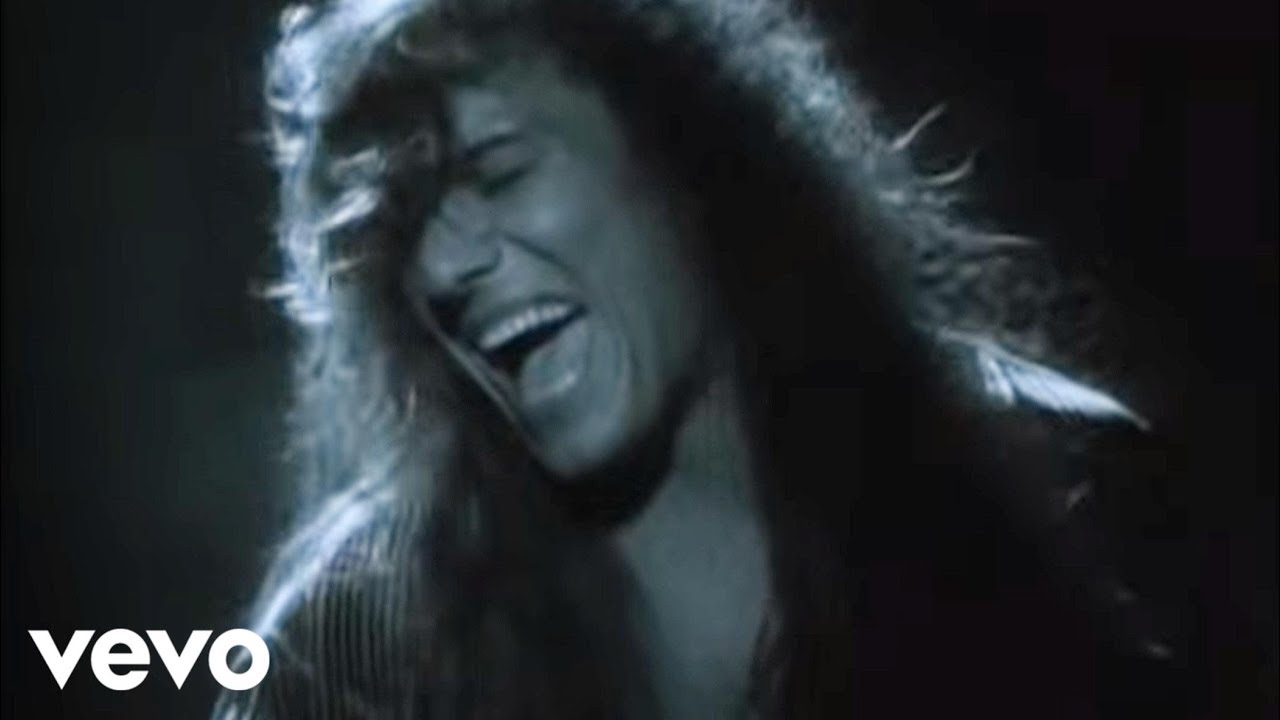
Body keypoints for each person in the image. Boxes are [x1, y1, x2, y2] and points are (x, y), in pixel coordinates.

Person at [216, 0, 1184, 717]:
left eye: (496, 172)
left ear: (678, 141)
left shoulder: (1071, 490)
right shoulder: (347, 653)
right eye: (401, 225)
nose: (442, 265)